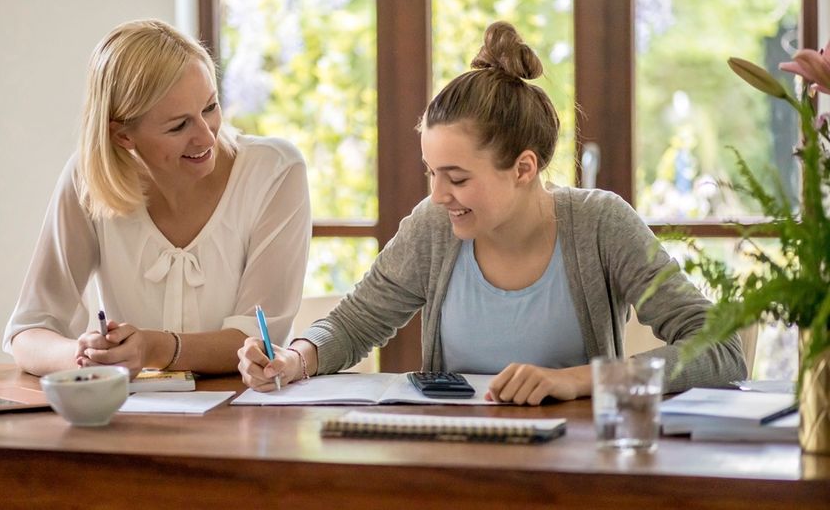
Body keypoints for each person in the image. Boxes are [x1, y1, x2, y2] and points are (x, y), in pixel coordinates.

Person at [238, 21, 746, 404]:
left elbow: (721, 351)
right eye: (431, 173)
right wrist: (295, 357)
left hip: (580, 471)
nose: (438, 195)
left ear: (524, 168)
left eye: (457, 178)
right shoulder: (434, 228)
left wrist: (578, 380)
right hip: (460, 465)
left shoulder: (600, 224)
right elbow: (352, 323)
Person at [4, 19, 311, 378]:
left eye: (210, 108)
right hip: (129, 423)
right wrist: (86, 354)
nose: (206, 137)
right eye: (179, 126)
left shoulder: (274, 172)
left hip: (245, 418)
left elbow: (258, 341)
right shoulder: (88, 178)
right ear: (122, 136)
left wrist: (153, 348)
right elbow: (27, 333)